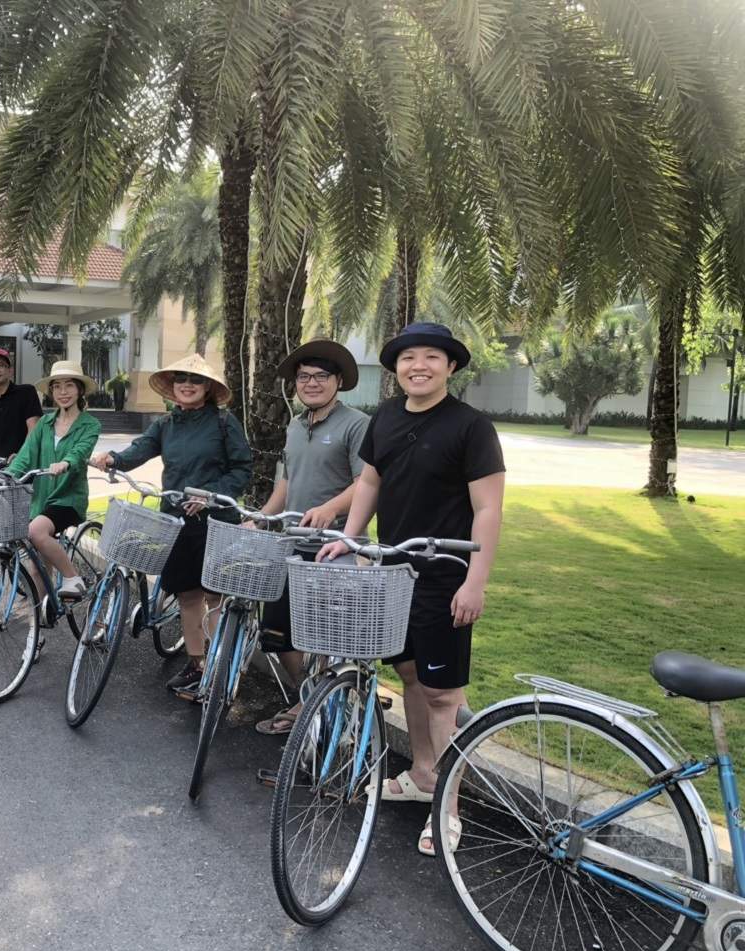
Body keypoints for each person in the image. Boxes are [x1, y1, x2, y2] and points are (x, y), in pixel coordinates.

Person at [317, 322, 505, 857]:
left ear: (450, 366)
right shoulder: (386, 418)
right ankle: (424, 774)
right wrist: (350, 538)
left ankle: (447, 808)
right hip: (392, 568)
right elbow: (371, 482)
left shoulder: (471, 427)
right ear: (396, 368)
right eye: (407, 358)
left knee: (443, 695)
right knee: (409, 676)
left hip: (446, 574)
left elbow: (488, 509)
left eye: (431, 357)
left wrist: (475, 581)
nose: (418, 366)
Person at [89, 354, 252, 699]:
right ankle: (197, 664)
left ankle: (218, 668)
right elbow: (140, 449)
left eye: (195, 380)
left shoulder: (224, 422)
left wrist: (211, 494)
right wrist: (114, 458)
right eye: (181, 379)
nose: (187, 385)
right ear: (173, 386)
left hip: (217, 521)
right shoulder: (166, 424)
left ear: (208, 388)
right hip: (178, 520)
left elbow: (242, 470)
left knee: (214, 595)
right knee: (188, 595)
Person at [251, 340, 370, 735]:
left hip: (336, 548)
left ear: (339, 381)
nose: (312, 383)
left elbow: (366, 483)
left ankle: (315, 707)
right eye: (304, 377)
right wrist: (262, 518)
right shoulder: (296, 425)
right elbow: (287, 482)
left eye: (321, 376)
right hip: (293, 543)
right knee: (278, 634)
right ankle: (310, 696)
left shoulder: (356, 424)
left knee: (324, 635)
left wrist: (331, 508)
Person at [4, 360, 102, 603]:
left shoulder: (90, 424)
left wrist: (66, 462)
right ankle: (40, 617)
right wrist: (6, 476)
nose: (63, 392)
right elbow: (25, 455)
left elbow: (80, 451)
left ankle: (72, 578)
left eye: (69, 385)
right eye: (57, 386)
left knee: (35, 531)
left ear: (80, 390)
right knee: (37, 568)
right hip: (40, 499)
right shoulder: (45, 423)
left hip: (68, 498)